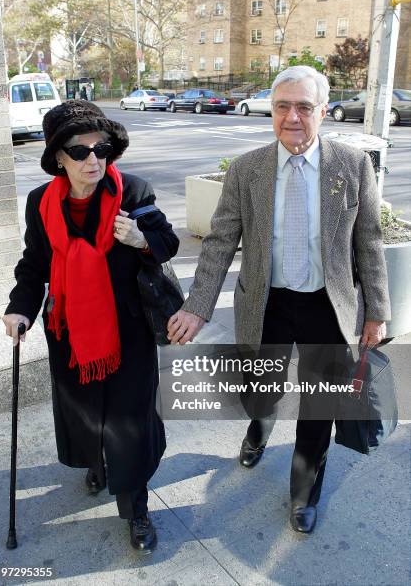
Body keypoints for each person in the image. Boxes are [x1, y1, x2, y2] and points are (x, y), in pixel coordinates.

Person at [167, 66, 390, 533]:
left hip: (328, 308)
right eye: (283, 106)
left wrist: (376, 314)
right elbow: (221, 242)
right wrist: (196, 305)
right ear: (273, 110)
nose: (292, 117)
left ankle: (304, 494)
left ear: (322, 112)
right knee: (260, 394)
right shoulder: (247, 169)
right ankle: (260, 425)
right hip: (264, 305)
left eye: (304, 107)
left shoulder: (352, 167)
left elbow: (368, 245)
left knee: (319, 407)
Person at [3, 100, 179, 552]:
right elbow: (34, 261)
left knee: (130, 420)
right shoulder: (40, 202)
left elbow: (167, 241)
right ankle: (96, 461)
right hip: (69, 328)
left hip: (127, 332)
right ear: (58, 157)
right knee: (84, 411)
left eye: (100, 149)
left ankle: (135, 505)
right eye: (79, 151)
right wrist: (20, 307)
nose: (92, 160)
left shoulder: (133, 193)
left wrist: (141, 239)